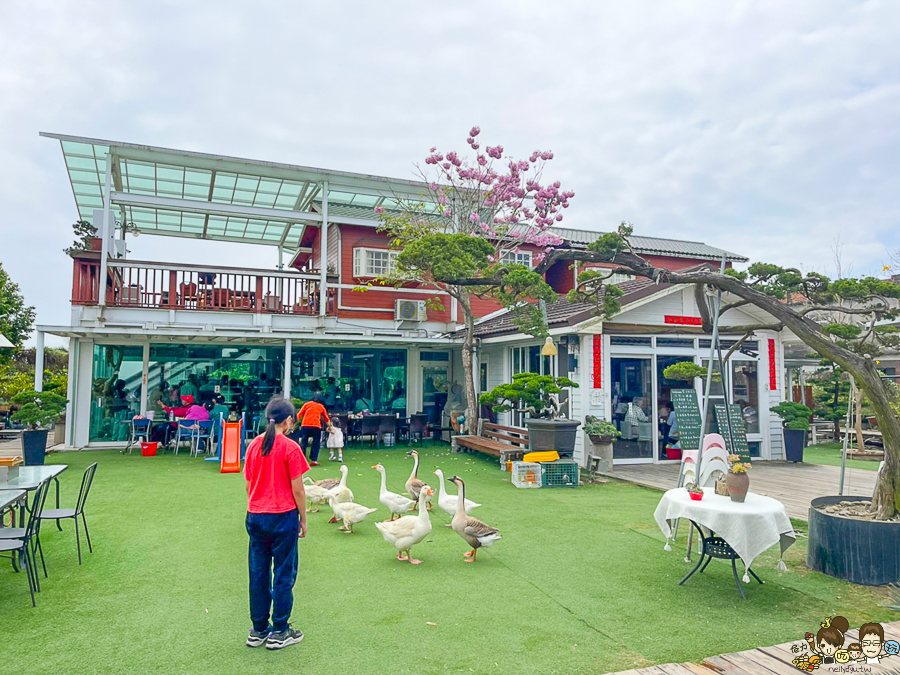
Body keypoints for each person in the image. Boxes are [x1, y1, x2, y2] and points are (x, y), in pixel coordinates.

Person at [243, 397, 309, 650]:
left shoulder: (254, 445)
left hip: (256, 515)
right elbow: (299, 490)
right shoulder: (290, 447)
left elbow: (249, 484)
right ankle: (280, 629)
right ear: (289, 419)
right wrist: (303, 519)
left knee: (258, 573)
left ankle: (258, 629)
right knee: (283, 573)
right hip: (283, 517)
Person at [297, 394, 329, 466]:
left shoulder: (307, 404)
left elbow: (299, 415)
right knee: (316, 443)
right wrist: (330, 426)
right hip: (316, 426)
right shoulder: (321, 406)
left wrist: (294, 424)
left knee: (304, 442)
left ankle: (302, 459)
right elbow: (326, 418)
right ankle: (314, 460)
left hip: (305, 425)